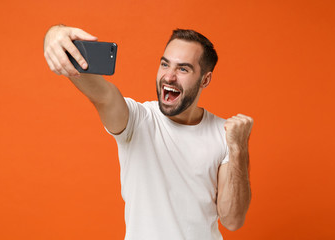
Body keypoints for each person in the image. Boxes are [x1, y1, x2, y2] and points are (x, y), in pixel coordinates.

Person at [44, 25, 253, 240]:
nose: (169, 77)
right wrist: (55, 36)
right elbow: (103, 95)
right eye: (165, 64)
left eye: (183, 69)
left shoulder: (225, 133)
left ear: (205, 80)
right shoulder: (137, 120)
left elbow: (232, 220)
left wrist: (238, 148)